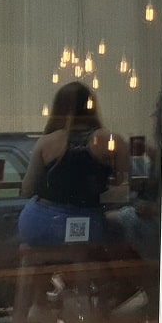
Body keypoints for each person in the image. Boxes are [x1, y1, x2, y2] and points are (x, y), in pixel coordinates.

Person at [19, 82, 129, 246]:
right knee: (89, 255)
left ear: (58, 109)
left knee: (32, 256)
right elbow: (126, 184)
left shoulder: (46, 142)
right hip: (83, 222)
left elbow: (27, 188)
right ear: (91, 106)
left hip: (39, 221)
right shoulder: (112, 141)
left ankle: (28, 269)